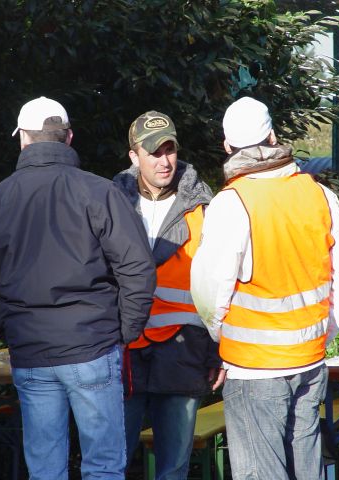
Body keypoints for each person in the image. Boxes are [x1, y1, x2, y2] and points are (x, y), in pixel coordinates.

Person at [0, 96, 156, 480]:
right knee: (104, 467)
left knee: (46, 470)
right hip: (92, 343)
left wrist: (8, 326)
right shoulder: (99, 192)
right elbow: (138, 267)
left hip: (32, 348)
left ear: (23, 139)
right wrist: (124, 331)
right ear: (69, 137)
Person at [191, 97, 339, 480]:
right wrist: (324, 328)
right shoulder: (318, 194)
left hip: (255, 368)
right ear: (273, 137)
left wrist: (220, 335)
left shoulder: (231, 203)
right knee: (307, 467)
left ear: (227, 146)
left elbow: (209, 289)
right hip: (310, 361)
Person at [113, 111, 223, 479]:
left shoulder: (203, 207)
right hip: (125, 350)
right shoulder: (110, 202)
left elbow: (219, 283)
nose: (165, 161)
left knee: (174, 469)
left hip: (184, 350)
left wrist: (218, 349)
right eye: (154, 152)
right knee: (111, 464)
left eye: (170, 150)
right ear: (134, 156)